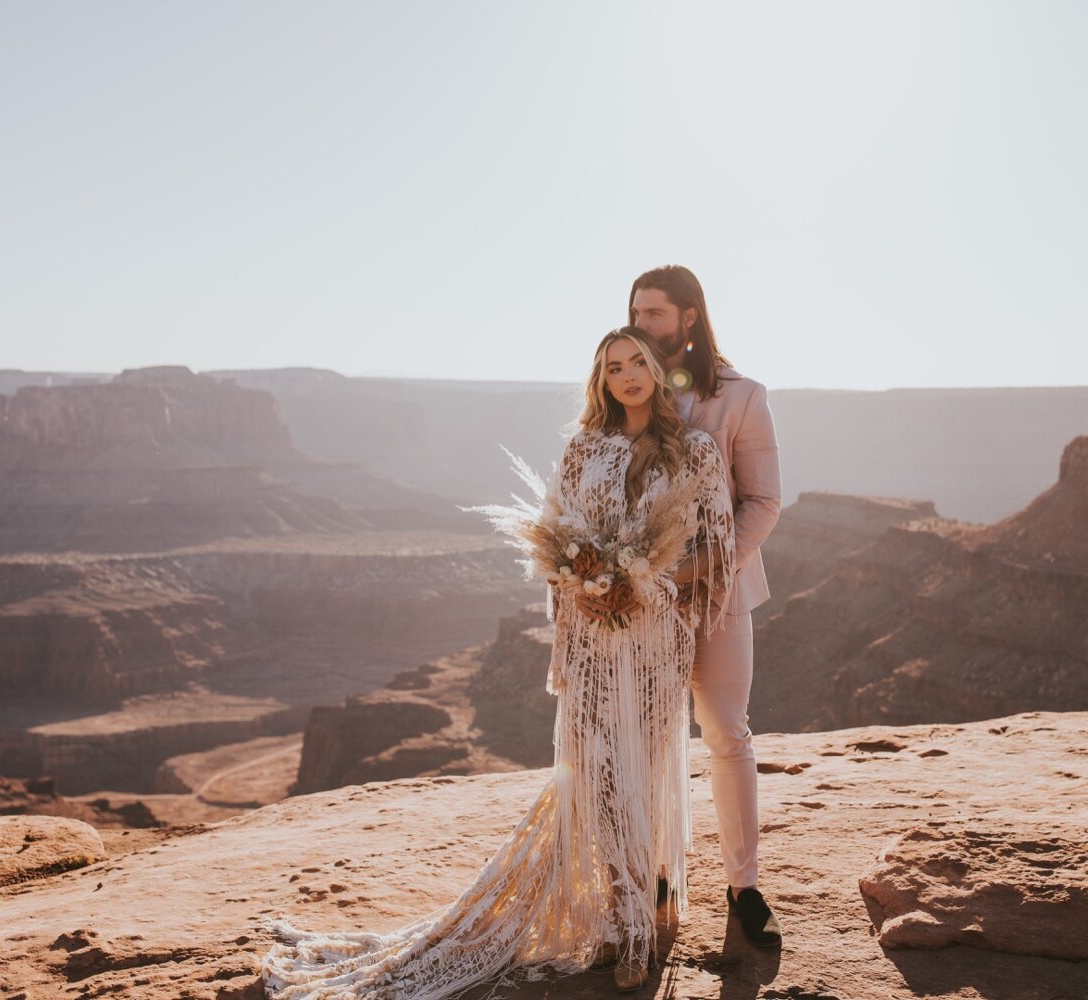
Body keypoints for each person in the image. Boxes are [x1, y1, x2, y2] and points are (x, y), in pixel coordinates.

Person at [259, 327, 735, 997]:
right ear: (600, 380)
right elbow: (557, 540)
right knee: (599, 778)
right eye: (613, 367)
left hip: (656, 640)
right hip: (594, 639)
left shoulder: (695, 451)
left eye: (638, 364)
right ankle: (619, 923)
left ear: (659, 371)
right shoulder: (582, 451)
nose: (627, 376)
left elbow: (715, 548)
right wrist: (588, 585)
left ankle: (651, 916)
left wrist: (646, 582)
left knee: (647, 771)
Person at [592, 264, 784, 948]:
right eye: (635, 313)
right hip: (642, 605)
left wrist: (704, 571)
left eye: (654, 315)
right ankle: (660, 876)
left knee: (725, 731)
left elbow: (763, 501)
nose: (641, 325)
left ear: (689, 318)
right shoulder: (627, 394)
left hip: (722, 596)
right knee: (648, 738)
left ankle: (744, 885)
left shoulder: (742, 396)